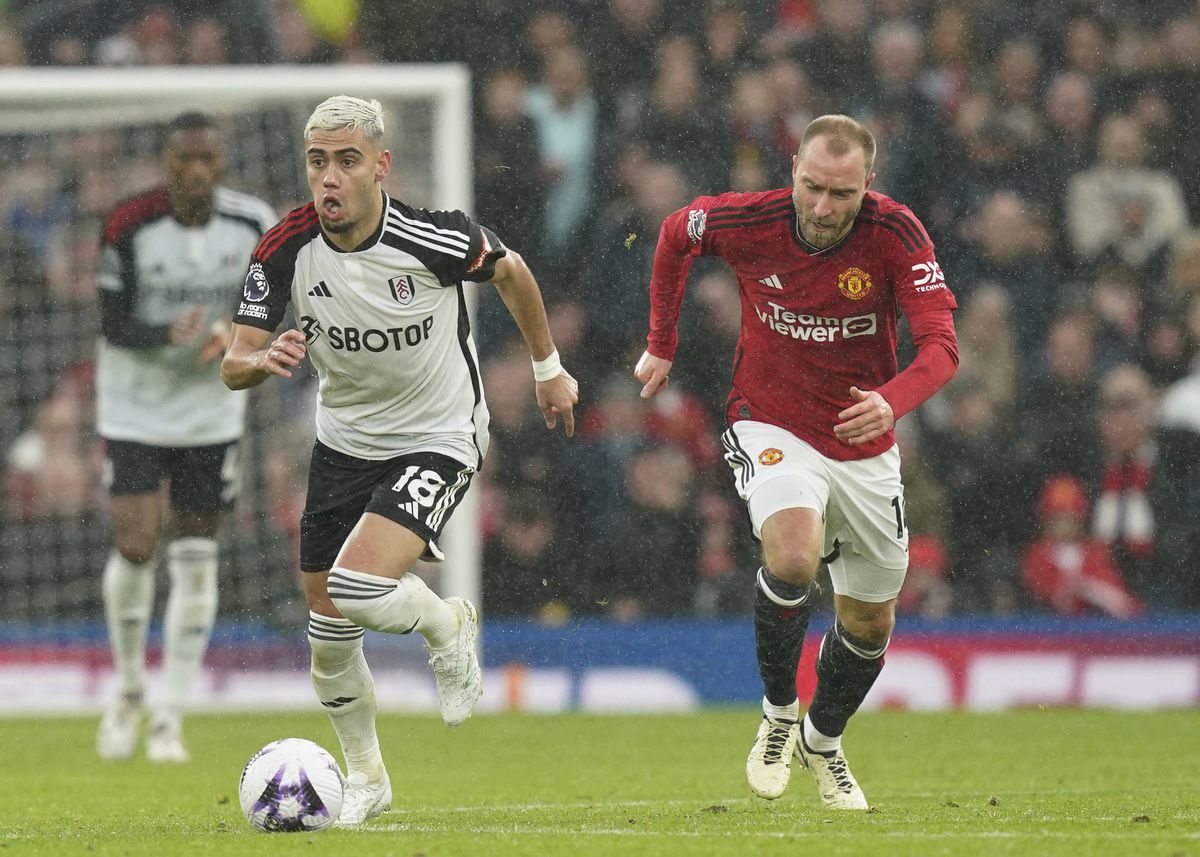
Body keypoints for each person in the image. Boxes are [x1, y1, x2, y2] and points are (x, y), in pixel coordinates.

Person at [220, 95, 578, 827]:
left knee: (356, 585)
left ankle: (448, 622)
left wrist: (547, 366)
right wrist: (265, 358)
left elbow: (511, 272)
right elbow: (232, 364)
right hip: (344, 442)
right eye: (318, 160)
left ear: (380, 166)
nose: (330, 177)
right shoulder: (283, 246)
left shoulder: (431, 236)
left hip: (439, 434)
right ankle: (367, 777)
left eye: (347, 160)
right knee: (327, 636)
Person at [635, 114, 958, 809]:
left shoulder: (898, 234)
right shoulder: (749, 219)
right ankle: (779, 710)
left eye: (840, 194)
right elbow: (672, 235)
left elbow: (942, 346)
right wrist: (662, 340)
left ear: (867, 185)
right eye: (811, 186)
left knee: (870, 623)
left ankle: (824, 739)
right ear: (793, 172)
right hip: (770, 420)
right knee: (791, 553)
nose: (820, 207)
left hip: (864, 443)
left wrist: (892, 399)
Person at [94, 112, 277, 763]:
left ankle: (170, 714)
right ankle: (126, 689)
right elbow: (111, 322)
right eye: (183, 161)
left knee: (196, 554)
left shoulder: (253, 223)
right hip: (136, 407)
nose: (196, 171)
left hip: (210, 411)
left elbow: (275, 303)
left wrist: (237, 333)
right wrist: (164, 333)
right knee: (137, 543)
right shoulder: (127, 223)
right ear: (167, 164)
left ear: (221, 163)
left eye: (206, 159)